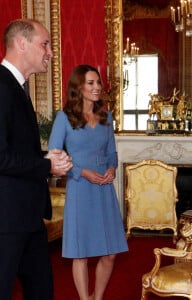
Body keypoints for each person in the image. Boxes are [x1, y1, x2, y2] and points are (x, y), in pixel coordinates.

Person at [0, 19, 73, 299]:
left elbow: (15, 150)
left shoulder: (17, 87)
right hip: (7, 219)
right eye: (45, 44)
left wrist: (45, 157)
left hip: (27, 215)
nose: (50, 52)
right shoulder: (2, 87)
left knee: (42, 290)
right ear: (21, 43)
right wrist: (46, 165)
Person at [48, 64, 128, 300]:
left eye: (98, 83)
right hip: (80, 188)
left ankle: (97, 296)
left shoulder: (106, 116)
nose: (97, 88)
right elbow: (54, 156)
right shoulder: (64, 118)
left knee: (111, 252)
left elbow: (112, 153)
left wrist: (112, 168)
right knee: (80, 253)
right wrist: (82, 173)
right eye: (91, 83)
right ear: (78, 87)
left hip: (104, 189)